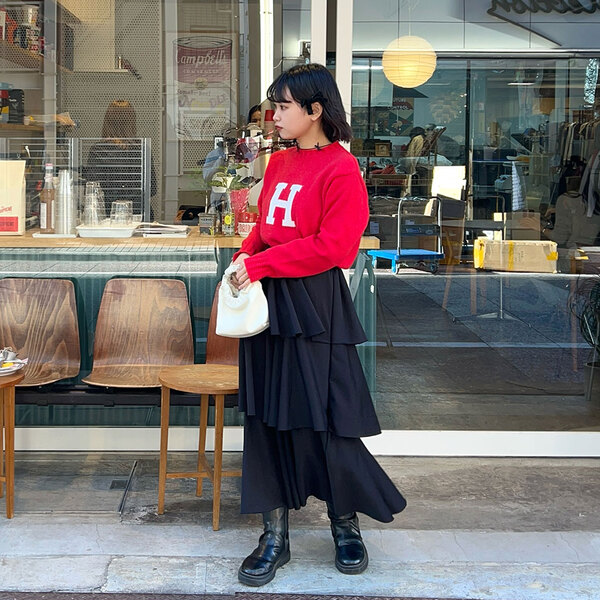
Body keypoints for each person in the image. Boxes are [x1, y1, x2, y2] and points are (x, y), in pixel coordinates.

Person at [229, 63, 406, 587]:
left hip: (315, 304)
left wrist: (260, 263)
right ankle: (274, 535)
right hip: (269, 303)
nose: (275, 116)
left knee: (328, 417)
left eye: (283, 106)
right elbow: (266, 228)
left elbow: (335, 247)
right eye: (274, 106)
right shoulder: (279, 162)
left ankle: (345, 524)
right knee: (267, 417)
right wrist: (245, 255)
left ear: (315, 110)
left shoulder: (342, 169)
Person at [84, 100, 157, 219]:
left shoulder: (98, 150)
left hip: (109, 216)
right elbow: (152, 189)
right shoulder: (143, 150)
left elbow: (92, 190)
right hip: (140, 215)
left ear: (107, 122)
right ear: (132, 122)